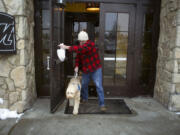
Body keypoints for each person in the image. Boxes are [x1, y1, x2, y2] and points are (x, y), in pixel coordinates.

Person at [58, 31, 106, 111]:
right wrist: (76, 66)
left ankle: (102, 104)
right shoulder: (81, 46)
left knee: (99, 86)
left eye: (82, 41)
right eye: (80, 41)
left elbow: (81, 49)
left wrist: (66, 47)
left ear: (86, 40)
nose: (81, 42)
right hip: (86, 70)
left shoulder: (90, 44)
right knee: (84, 85)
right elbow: (78, 57)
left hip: (95, 69)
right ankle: (85, 98)